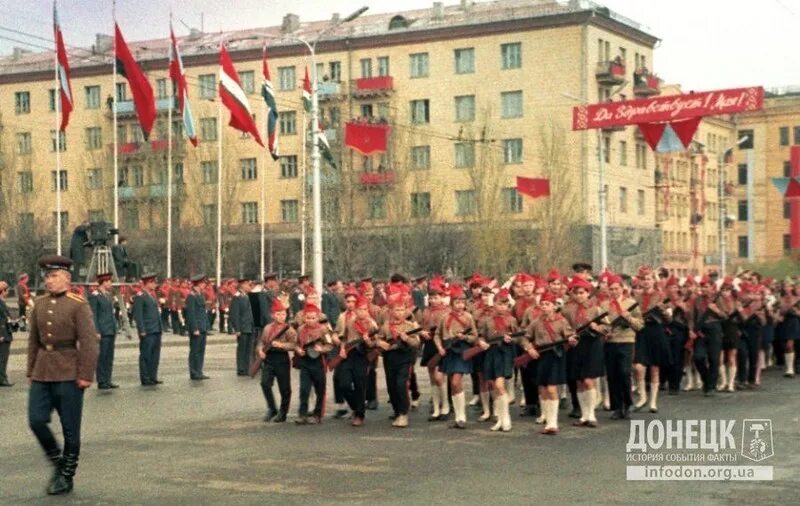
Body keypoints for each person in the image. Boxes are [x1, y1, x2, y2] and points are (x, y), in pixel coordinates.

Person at [27, 254, 98, 495]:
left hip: (69, 372)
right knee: (36, 420)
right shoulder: (39, 303)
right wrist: (30, 370)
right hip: (42, 371)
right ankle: (58, 463)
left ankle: (66, 475)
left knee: (70, 428)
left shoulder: (78, 304)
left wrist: (86, 374)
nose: (49, 280)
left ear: (66, 278)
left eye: (54, 275)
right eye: (47, 276)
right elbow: (33, 340)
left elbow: (88, 342)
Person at [523, 291, 576, 435]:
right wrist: (529, 349)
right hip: (540, 357)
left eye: (548, 304)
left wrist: (571, 340)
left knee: (552, 389)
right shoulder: (536, 322)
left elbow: (570, 336)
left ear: (554, 306)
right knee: (543, 388)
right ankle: (547, 419)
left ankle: (553, 422)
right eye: (543, 304)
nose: (544, 307)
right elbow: (525, 338)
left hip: (555, 356)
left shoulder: (562, 321)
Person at [600, 275, 643, 420]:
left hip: (627, 341)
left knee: (625, 373)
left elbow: (640, 324)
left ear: (622, 288)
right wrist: (604, 331)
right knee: (612, 375)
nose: (613, 291)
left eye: (616, 288)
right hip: (610, 342)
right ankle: (617, 407)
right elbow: (602, 323)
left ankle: (627, 403)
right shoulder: (604, 305)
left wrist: (628, 318)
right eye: (611, 289)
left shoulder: (631, 303)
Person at [476, 288, 518, 432]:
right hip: (491, 353)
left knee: (500, 385)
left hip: (505, 353)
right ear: (493, 304)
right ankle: (500, 419)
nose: (502, 307)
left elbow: (518, 337)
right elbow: (480, 335)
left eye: (505, 304)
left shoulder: (512, 320)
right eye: (499, 304)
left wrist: (510, 338)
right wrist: (480, 342)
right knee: (493, 386)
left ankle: (506, 419)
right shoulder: (486, 320)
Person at [375, 294, 420, 428]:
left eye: (402, 310)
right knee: (392, 387)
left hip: (405, 358)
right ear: (391, 311)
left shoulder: (410, 325)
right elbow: (378, 338)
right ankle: (397, 411)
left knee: (401, 384)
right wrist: (380, 343)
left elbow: (416, 343)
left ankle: (403, 413)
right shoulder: (386, 326)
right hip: (390, 359)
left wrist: (407, 339)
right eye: (396, 310)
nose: (399, 312)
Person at [435, 284, 476, 429]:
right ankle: (458, 416)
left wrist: (464, 337)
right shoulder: (444, 317)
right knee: (452, 383)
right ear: (452, 303)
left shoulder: (469, 317)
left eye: (462, 302)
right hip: (448, 351)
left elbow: (474, 337)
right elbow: (437, 335)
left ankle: (462, 416)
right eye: (457, 302)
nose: (460, 305)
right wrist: (439, 348)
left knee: (455, 382)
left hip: (461, 351)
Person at [334, 295, 379, 427]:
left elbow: (375, 343)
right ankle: (356, 406)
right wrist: (342, 349)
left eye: (365, 309)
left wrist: (368, 341)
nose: (362, 312)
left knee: (360, 386)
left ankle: (359, 415)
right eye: (359, 310)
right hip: (349, 354)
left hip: (362, 356)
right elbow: (343, 337)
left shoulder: (372, 324)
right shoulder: (350, 322)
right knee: (344, 383)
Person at [257, 299, 297, 423]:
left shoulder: (289, 329)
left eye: (283, 314)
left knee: (284, 388)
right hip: (269, 359)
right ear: (273, 315)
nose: (281, 317)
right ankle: (272, 408)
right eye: (278, 314)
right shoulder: (267, 328)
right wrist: (260, 351)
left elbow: (294, 345)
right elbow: (261, 342)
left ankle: (283, 412)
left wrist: (281, 345)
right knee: (264, 383)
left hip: (282, 359)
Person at [294, 303, 334, 425]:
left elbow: (330, 345)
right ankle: (302, 414)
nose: (310, 320)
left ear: (317, 318)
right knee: (304, 390)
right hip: (305, 362)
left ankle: (317, 414)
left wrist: (321, 349)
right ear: (304, 318)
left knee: (319, 390)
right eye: (307, 317)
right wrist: (298, 350)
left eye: (313, 318)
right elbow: (295, 343)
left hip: (319, 362)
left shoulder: (323, 329)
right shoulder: (300, 329)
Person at [132, 273, 163, 386]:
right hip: (148, 330)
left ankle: (153, 376)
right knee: (146, 355)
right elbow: (138, 315)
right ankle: (145, 378)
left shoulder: (151, 295)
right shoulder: (140, 296)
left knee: (155, 355)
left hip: (156, 329)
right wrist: (141, 330)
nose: (155, 284)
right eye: (153, 282)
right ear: (148, 283)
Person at [88, 273, 118, 390]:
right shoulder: (95, 296)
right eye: (109, 281)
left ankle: (108, 379)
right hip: (102, 331)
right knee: (102, 357)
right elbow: (94, 315)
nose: (110, 284)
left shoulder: (107, 295)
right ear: (103, 282)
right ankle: (102, 380)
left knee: (109, 357)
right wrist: (96, 330)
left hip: (110, 329)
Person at [185, 274, 211, 380]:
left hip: (202, 327)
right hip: (197, 328)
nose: (205, 285)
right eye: (203, 283)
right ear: (198, 284)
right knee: (195, 351)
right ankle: (194, 372)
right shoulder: (191, 296)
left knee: (201, 351)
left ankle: (199, 371)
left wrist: (206, 326)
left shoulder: (200, 295)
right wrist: (194, 328)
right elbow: (191, 314)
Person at [230, 277, 255, 376]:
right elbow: (234, 314)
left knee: (248, 349)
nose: (250, 287)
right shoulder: (237, 297)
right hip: (242, 327)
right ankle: (241, 368)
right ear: (242, 285)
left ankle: (246, 367)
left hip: (249, 326)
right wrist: (237, 328)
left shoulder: (247, 296)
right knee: (242, 349)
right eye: (248, 285)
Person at [0, 281, 14, 387]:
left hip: (5, 333)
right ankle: (2, 379)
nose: (8, 292)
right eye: (7, 290)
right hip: (2, 335)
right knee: (2, 358)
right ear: (3, 291)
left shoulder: (2, 302)